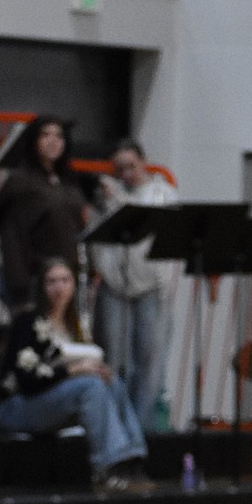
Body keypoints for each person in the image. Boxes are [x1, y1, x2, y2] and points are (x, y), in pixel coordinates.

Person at [0, 256, 152, 490]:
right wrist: (72, 370)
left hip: (53, 401)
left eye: (65, 280)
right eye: (52, 281)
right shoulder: (28, 322)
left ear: (74, 284)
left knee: (110, 381)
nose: (59, 287)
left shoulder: (76, 326)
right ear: (42, 287)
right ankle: (108, 467)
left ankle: (132, 459)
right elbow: (26, 380)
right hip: (15, 405)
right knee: (91, 386)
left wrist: (94, 370)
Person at [90, 138, 178, 432]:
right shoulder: (107, 198)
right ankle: (114, 429)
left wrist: (119, 200)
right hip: (114, 287)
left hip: (151, 287)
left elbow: (144, 222)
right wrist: (108, 201)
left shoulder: (161, 193)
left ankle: (141, 430)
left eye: (131, 166)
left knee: (150, 360)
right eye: (120, 168)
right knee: (113, 359)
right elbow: (96, 239)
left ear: (143, 162)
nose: (126, 173)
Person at [0, 116, 88, 312]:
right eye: (45, 135)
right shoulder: (21, 181)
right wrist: (19, 285)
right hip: (33, 276)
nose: (53, 141)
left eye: (59, 136)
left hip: (67, 273)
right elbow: (12, 233)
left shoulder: (69, 180)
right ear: (34, 140)